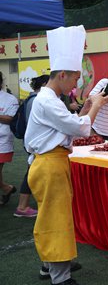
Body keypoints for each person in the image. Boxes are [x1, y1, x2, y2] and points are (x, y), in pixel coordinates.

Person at [25, 25, 108, 285]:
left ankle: (50, 264)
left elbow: (71, 125)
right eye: (75, 78)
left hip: (51, 162)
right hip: (49, 163)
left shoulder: (50, 98)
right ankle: (59, 279)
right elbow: (80, 128)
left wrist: (87, 108)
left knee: (53, 215)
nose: (76, 85)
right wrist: (96, 106)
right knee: (56, 219)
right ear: (62, 75)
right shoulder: (47, 101)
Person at [13, 74, 50, 218]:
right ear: (45, 84)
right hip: (35, 144)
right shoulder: (36, 100)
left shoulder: (32, 99)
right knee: (31, 172)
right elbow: (33, 125)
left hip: (33, 143)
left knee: (34, 171)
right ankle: (22, 206)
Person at [0, 71, 19, 205]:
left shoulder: (10, 99)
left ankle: (6, 188)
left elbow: (11, 119)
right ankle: (6, 188)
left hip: (2, 140)